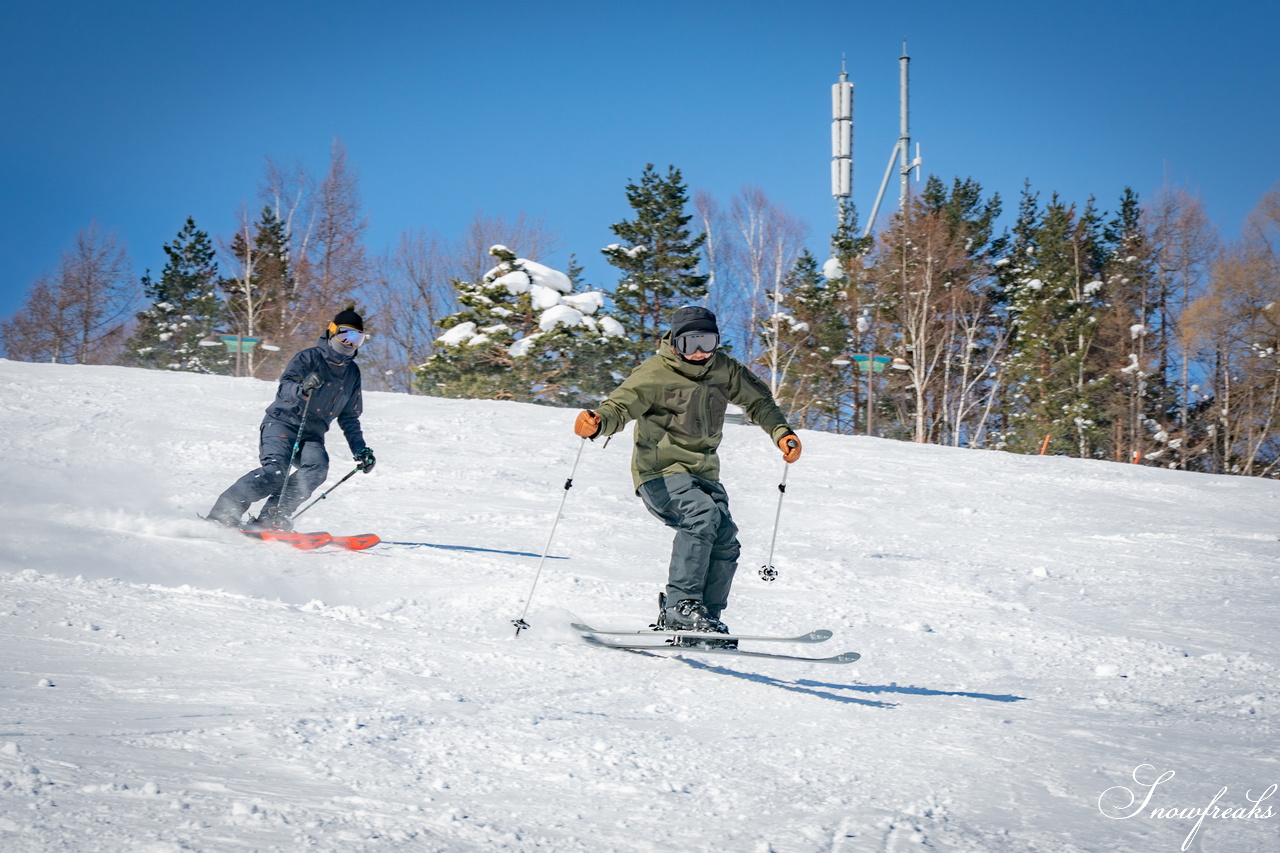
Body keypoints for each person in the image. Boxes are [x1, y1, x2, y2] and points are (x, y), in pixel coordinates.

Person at [574, 306, 801, 641]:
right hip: (660, 472)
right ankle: (681, 607)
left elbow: (760, 403)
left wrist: (781, 433)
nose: (699, 352)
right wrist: (597, 423)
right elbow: (621, 406)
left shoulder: (724, 369)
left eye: (707, 342)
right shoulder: (655, 373)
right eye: (691, 342)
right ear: (675, 342)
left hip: (705, 473)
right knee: (701, 517)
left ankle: (705, 618)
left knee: (725, 536)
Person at [207, 308, 376, 531]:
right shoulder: (308, 357)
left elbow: (349, 417)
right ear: (332, 331)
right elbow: (285, 386)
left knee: (317, 467)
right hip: (282, 422)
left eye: (357, 339)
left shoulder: (352, 373)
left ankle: (271, 518)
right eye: (345, 334)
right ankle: (222, 515)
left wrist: (360, 449)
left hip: (312, 433)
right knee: (276, 471)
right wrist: (302, 389)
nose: (349, 343)